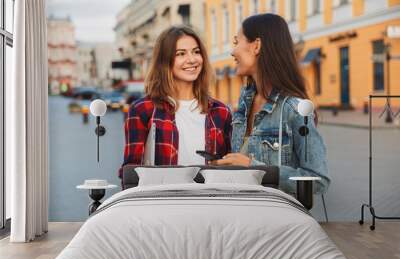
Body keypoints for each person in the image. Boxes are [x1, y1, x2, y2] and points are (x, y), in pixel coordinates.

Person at [213, 14, 330, 194]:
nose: (232, 51)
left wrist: (255, 168)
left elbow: (318, 180)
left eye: (237, 42)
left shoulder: (294, 109)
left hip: (277, 217)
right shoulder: (244, 105)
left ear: (256, 46)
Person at [119, 26, 232, 177]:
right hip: (164, 199)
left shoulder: (221, 112)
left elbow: (229, 169)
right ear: (165, 61)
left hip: (209, 199)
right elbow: (131, 173)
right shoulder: (143, 110)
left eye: (196, 52)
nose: (192, 59)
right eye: (181, 54)